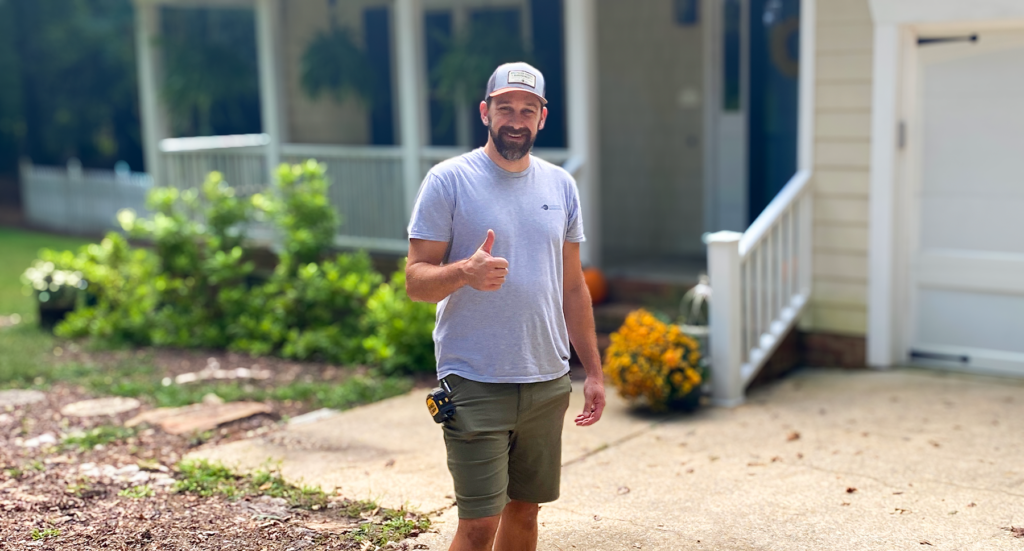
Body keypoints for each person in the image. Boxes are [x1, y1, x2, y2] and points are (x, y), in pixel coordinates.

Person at [405, 61, 606, 551]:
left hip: (545, 380)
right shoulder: (448, 180)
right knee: (478, 525)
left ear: (542, 118)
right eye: (505, 108)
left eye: (527, 109)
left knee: (526, 513)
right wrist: (463, 273)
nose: (516, 119)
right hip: (474, 379)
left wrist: (594, 373)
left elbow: (574, 287)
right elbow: (415, 279)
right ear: (485, 112)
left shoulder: (561, 186)